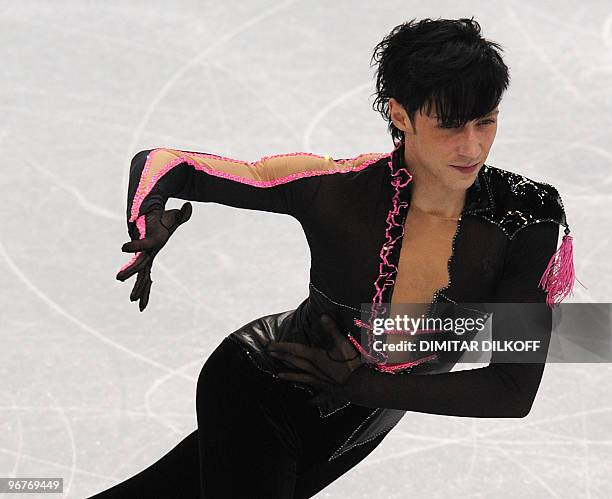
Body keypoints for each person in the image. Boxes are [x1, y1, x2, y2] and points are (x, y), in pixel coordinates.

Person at [90, 16, 581, 499]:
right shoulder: (336, 191)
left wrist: (366, 388)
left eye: (486, 121)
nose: (472, 146)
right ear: (401, 115)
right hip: (261, 385)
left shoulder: (524, 219)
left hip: (354, 425)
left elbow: (513, 390)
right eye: (450, 125)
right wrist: (146, 218)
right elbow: (171, 164)